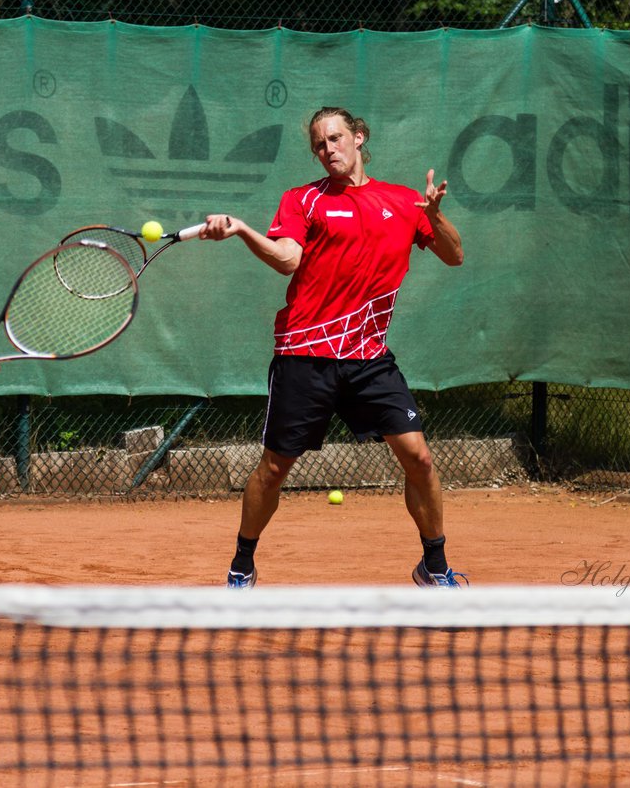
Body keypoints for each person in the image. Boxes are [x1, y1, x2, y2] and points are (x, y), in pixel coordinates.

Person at [199, 106, 466, 590]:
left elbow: (454, 255)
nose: (329, 150)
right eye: (320, 145)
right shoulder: (303, 200)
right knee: (276, 467)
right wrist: (241, 229)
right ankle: (242, 563)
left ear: (359, 137)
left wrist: (435, 216)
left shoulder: (405, 202)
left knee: (420, 459)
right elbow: (285, 259)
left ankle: (435, 566)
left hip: (369, 359)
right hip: (305, 354)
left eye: (337, 138)